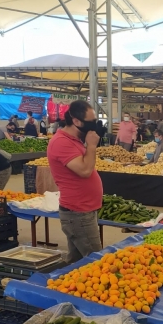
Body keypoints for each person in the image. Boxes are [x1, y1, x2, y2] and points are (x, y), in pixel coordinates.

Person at [47, 100, 102, 264]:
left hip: (84, 210)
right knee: (97, 262)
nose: (94, 125)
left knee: (76, 262)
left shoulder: (75, 139)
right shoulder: (61, 142)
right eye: (91, 121)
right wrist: (91, 146)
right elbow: (85, 171)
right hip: (78, 212)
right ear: (76, 121)